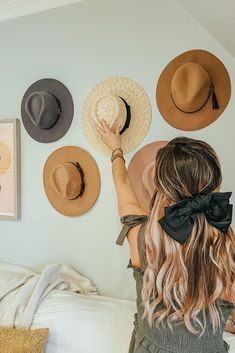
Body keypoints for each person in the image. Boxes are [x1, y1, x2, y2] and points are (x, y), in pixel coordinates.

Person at [96, 120, 235, 353]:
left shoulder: (140, 237)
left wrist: (116, 150)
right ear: (216, 185)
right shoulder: (229, 251)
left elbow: (122, 184)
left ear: (160, 189)